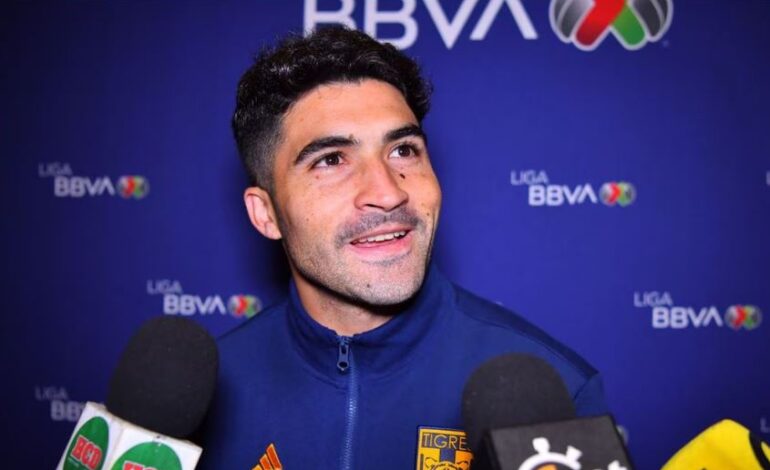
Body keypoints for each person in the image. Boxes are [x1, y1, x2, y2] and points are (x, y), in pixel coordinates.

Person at [199, 26, 607, 470]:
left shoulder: (555, 394)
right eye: (331, 160)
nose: (388, 192)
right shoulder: (205, 396)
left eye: (403, 151)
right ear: (266, 214)